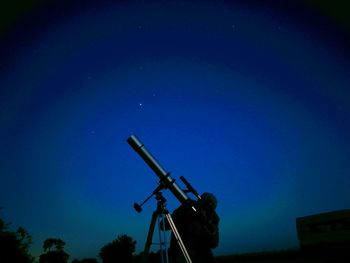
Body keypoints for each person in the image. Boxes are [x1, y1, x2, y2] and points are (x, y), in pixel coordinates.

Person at [167, 192, 219, 263]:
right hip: (180, 255)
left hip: (201, 258)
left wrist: (204, 224)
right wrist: (184, 215)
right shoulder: (187, 208)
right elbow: (165, 225)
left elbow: (214, 243)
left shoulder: (213, 218)